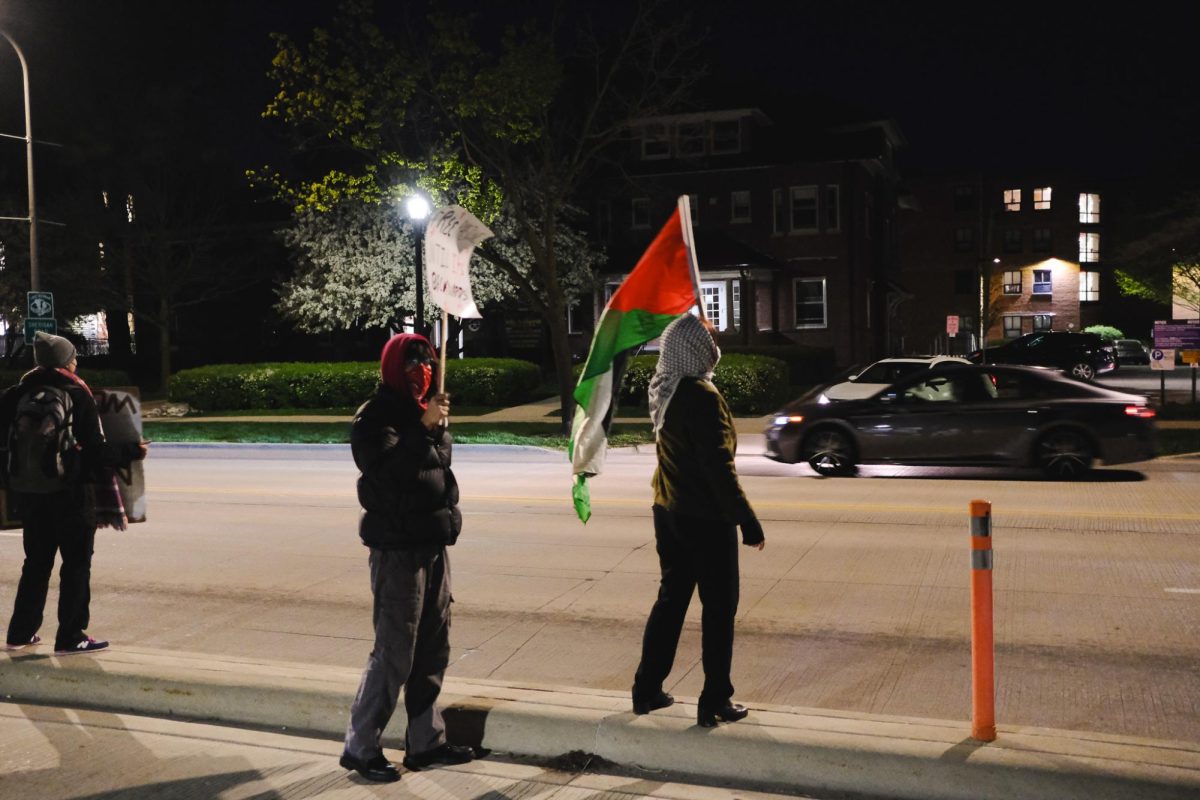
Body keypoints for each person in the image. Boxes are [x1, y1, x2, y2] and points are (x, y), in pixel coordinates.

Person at [339, 333, 474, 783]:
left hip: (432, 543)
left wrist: (432, 424)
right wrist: (423, 428)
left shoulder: (426, 413)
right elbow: (391, 475)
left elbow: (436, 471)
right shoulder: (374, 418)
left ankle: (425, 742)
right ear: (394, 368)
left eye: (429, 361)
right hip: (397, 550)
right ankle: (361, 746)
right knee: (395, 650)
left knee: (433, 647)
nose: (424, 369)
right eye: (413, 362)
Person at [631, 313, 766, 728]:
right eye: (708, 337)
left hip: (667, 510)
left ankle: (646, 689)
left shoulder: (664, 387)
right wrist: (747, 519)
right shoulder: (701, 395)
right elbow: (717, 466)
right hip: (704, 517)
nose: (715, 343)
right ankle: (714, 699)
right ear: (692, 348)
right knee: (719, 608)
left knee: (671, 600)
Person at [3, 331, 148, 655]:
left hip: (29, 492)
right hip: (71, 492)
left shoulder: (18, 392)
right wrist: (130, 452)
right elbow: (96, 450)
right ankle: (71, 636)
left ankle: (20, 632)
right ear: (66, 360)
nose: (77, 361)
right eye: (73, 356)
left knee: (36, 562)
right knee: (76, 563)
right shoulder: (76, 392)